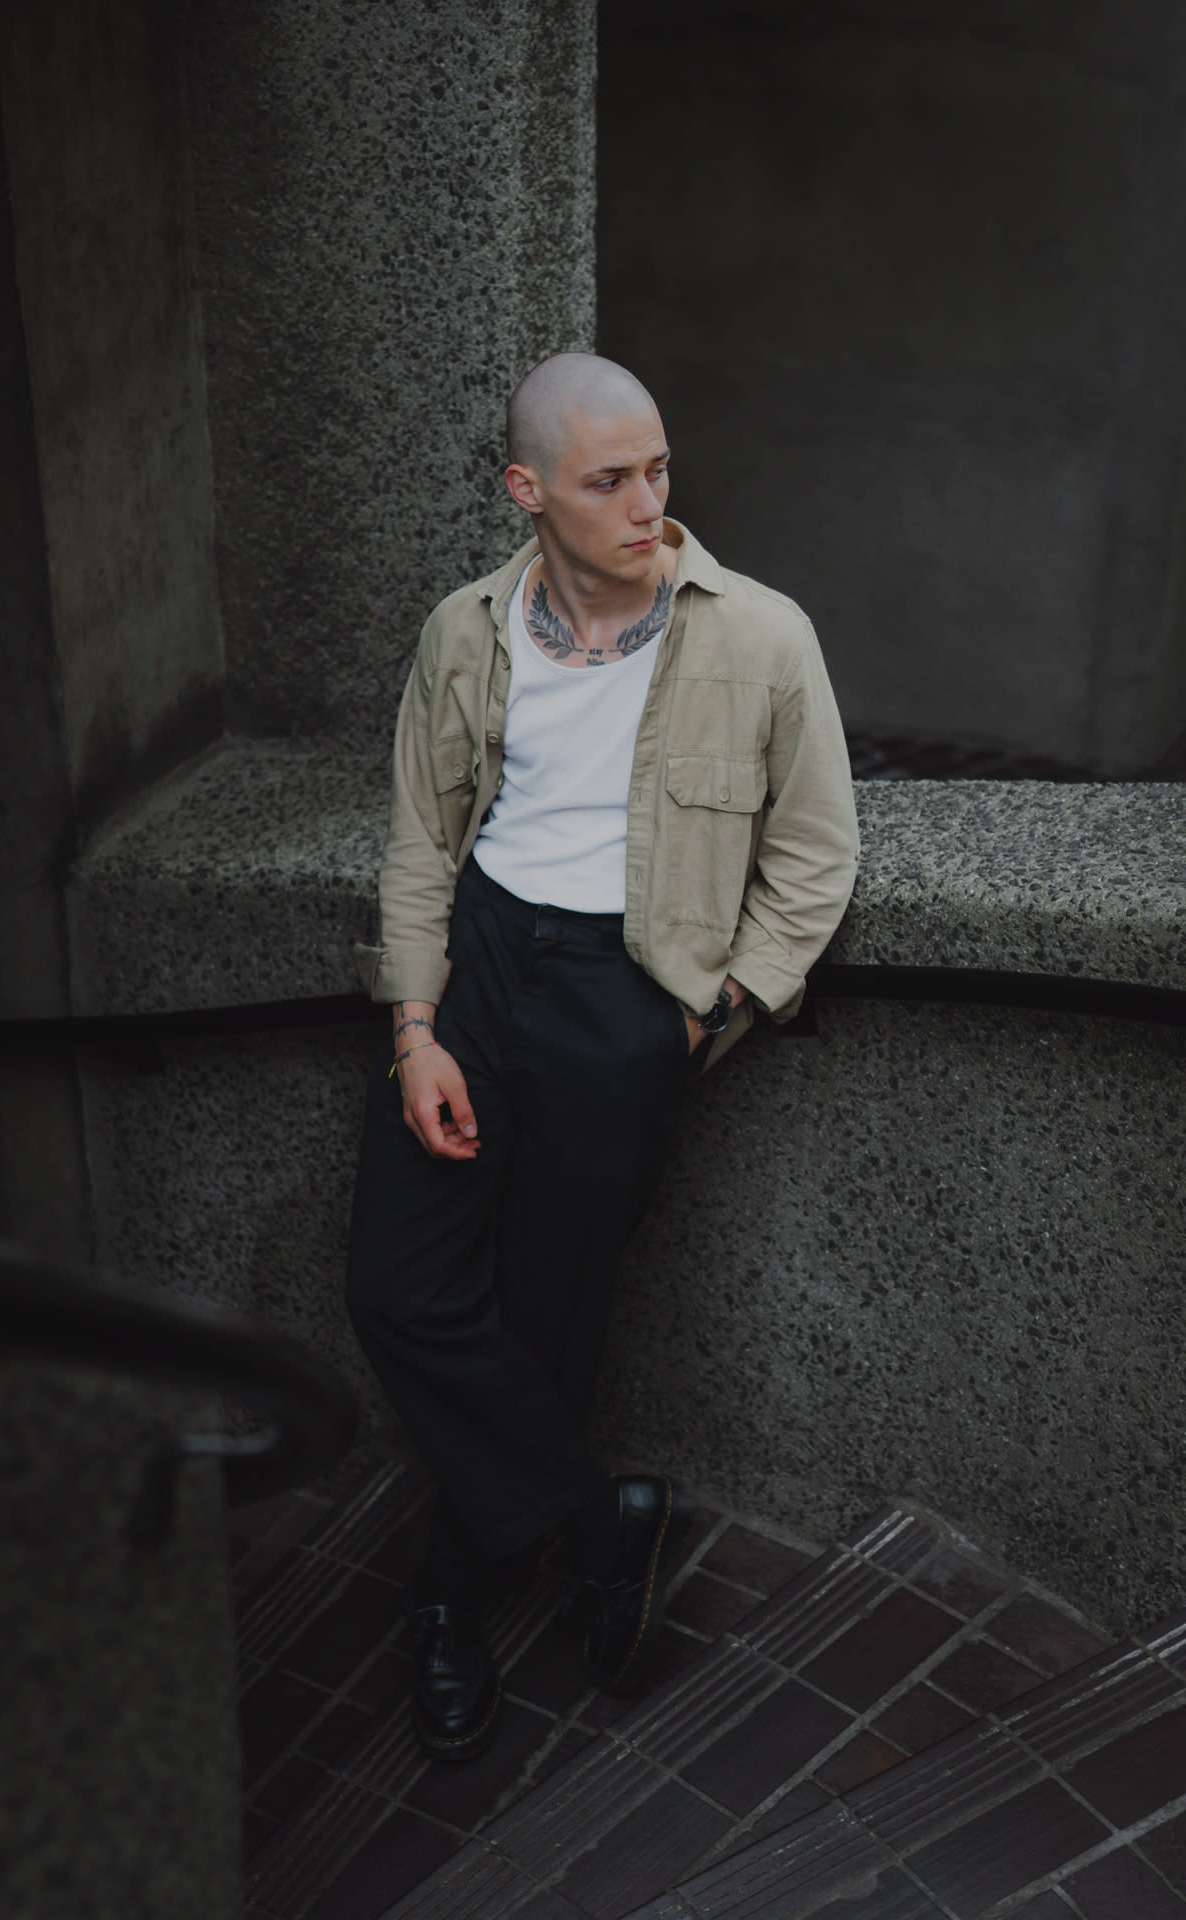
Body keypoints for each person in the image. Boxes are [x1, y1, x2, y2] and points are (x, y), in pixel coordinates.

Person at [347, 352, 858, 1760]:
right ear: (528, 492)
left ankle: (449, 1599)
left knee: (551, 1324)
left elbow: (816, 859)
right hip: (481, 963)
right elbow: (417, 839)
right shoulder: (464, 632)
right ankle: (595, 1517)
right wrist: (415, 1027)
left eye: (660, 470)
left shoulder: (760, 638)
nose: (650, 503)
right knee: (396, 1285)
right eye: (608, 479)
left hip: (628, 994)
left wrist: (702, 1017)